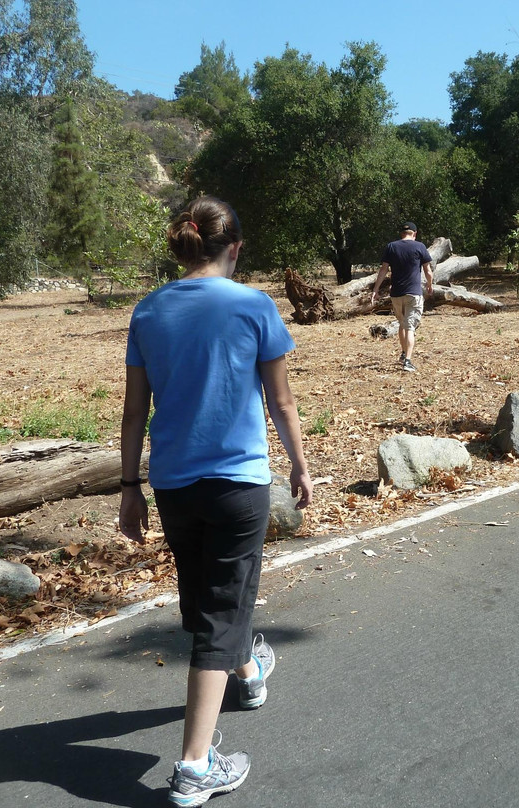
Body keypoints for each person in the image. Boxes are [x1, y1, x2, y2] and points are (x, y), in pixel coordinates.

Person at [118, 196, 313, 806]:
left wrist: (129, 488)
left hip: (174, 486)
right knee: (221, 610)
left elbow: (133, 411)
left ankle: (249, 673)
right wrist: (301, 465)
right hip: (238, 485)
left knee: (211, 596)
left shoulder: (149, 310)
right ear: (235, 247)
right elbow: (281, 402)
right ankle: (195, 767)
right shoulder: (254, 304)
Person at [370, 221, 434, 372]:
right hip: (413, 293)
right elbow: (428, 271)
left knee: (402, 323)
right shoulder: (420, 247)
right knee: (410, 326)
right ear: (415, 233)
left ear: (401, 234)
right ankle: (408, 361)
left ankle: (404, 352)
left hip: (396, 294)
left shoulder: (391, 246)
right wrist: (430, 284)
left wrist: (376, 289)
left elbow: (383, 270)